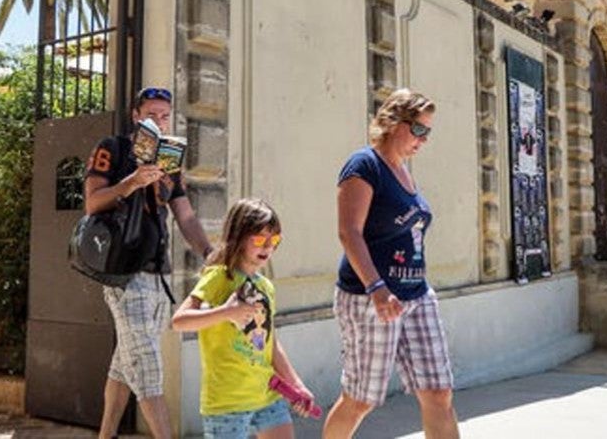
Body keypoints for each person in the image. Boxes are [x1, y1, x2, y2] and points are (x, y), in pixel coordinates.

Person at [322, 89, 459, 439]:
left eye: (428, 132)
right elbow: (349, 232)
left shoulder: (405, 173)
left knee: (439, 392)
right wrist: (377, 289)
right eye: (418, 129)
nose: (423, 140)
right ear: (393, 122)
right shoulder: (364, 165)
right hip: (370, 297)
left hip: (416, 295)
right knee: (361, 399)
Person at [85, 86, 215, 439]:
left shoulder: (169, 159)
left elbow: (185, 217)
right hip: (124, 275)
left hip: (158, 276)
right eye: (151, 115)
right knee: (149, 373)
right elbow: (93, 204)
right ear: (135, 116)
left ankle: (105, 435)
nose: (158, 121)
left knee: (125, 366)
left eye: (164, 116)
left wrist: (208, 252)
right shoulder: (111, 149)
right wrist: (131, 182)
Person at [171, 198, 316, 439]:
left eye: (274, 240)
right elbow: (179, 321)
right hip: (227, 402)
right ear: (239, 237)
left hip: (267, 394)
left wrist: (296, 384)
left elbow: (272, 344)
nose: (268, 247)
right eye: (260, 239)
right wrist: (226, 312)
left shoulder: (266, 286)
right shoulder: (219, 278)